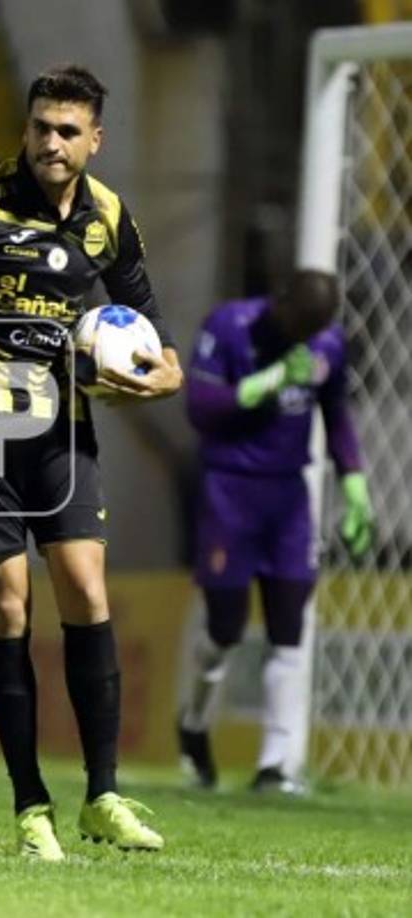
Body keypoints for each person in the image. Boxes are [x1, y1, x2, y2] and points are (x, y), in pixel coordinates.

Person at [0, 65, 183, 860]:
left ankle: (103, 795)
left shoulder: (107, 217)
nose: (51, 142)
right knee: (6, 604)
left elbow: (153, 332)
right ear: (26, 128)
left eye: (67, 131)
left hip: (61, 427)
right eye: (40, 127)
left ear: (96, 139)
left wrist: (160, 376)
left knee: (87, 589)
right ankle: (31, 805)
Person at [178, 269, 373, 792]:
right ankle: (193, 724)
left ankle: (277, 765)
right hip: (230, 490)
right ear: (278, 301)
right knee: (225, 628)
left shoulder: (327, 344)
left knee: (290, 625)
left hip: (289, 498)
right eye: (297, 325)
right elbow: (200, 407)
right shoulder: (228, 326)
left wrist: (354, 481)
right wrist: (263, 385)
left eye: (313, 330)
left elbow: (336, 412)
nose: (302, 338)